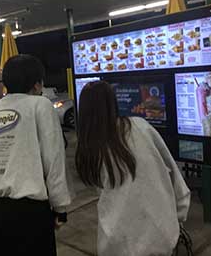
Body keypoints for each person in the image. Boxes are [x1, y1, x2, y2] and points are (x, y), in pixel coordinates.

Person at [0, 54, 72, 255]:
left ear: (6, 84)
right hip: (28, 214)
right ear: (38, 85)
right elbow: (53, 160)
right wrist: (60, 207)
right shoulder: (40, 105)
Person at [75, 81, 190, 256]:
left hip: (116, 243)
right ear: (113, 103)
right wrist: (179, 215)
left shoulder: (89, 148)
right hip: (160, 238)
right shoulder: (140, 126)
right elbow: (172, 172)